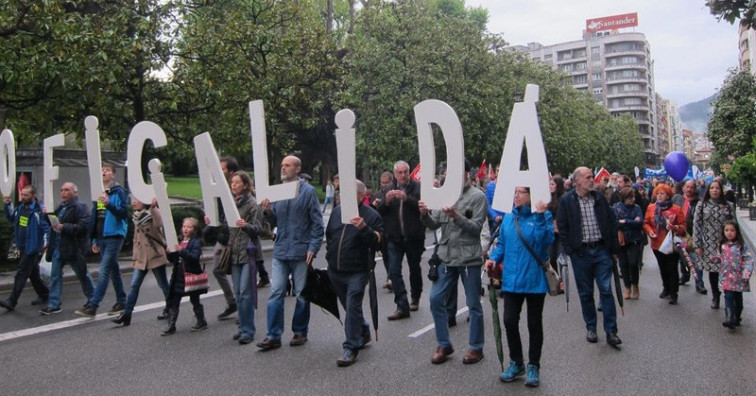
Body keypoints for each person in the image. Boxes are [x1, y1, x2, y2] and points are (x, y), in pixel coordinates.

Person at [419, 160, 487, 365]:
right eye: (447, 174)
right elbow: (433, 224)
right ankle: (444, 344)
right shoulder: (444, 194)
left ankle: (476, 347)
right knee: (435, 299)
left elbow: (476, 228)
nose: (449, 178)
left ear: (466, 173)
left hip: (469, 258)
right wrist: (424, 214)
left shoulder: (478, 196)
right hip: (446, 256)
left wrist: (455, 215)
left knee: (473, 304)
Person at [486, 187, 552, 387]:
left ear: (531, 195)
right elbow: (502, 245)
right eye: (514, 192)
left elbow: (545, 242)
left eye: (521, 192)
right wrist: (493, 259)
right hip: (512, 280)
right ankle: (516, 362)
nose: (516, 195)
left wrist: (540, 217)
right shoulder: (508, 217)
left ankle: (533, 365)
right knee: (509, 321)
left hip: (534, 280)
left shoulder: (544, 215)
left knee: (534, 324)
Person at [257, 155, 324, 351]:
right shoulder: (278, 192)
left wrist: (313, 247)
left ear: (297, 169)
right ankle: (273, 335)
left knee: (302, 294)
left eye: (287, 165)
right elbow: (276, 222)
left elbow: (317, 223)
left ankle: (300, 331)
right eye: (282, 165)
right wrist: (268, 212)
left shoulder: (308, 192)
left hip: (301, 251)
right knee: (276, 292)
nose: (283, 168)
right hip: (281, 251)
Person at [556, 167, 622, 347]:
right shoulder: (567, 200)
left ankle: (611, 330)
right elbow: (562, 225)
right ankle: (591, 327)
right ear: (577, 181)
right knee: (585, 293)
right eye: (587, 177)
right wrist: (570, 250)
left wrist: (613, 248)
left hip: (601, 250)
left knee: (606, 290)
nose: (592, 180)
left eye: (592, 177)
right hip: (581, 253)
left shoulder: (599, 198)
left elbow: (610, 221)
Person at [325, 180, 384, 367]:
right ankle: (363, 331)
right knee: (350, 308)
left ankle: (351, 348)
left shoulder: (371, 215)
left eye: (348, 193)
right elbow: (330, 235)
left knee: (352, 306)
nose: (342, 196)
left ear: (360, 195)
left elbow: (379, 242)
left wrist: (364, 229)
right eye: (342, 193)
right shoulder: (336, 212)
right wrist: (329, 256)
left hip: (357, 271)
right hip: (335, 270)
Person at [76, 164, 130, 317]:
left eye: (107, 170)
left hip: (114, 235)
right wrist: (93, 238)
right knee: (113, 270)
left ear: (113, 175)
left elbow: (123, 213)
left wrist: (109, 204)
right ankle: (122, 301)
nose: (104, 172)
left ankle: (93, 305)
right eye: (102, 170)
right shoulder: (98, 193)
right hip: (101, 237)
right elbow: (96, 216)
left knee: (104, 270)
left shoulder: (119, 192)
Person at [376, 160, 426, 319]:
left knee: (414, 268)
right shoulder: (389, 189)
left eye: (405, 172)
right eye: (400, 172)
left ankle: (415, 297)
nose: (403, 175)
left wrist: (407, 198)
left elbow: (423, 208)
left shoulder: (418, 187)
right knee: (394, 271)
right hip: (394, 238)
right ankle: (401, 305)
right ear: (395, 174)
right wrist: (387, 201)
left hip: (413, 236)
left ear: (409, 173)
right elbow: (380, 212)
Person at [112, 198, 170, 326]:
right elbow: (136, 239)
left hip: (154, 255)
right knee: (134, 285)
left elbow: (160, 223)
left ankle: (170, 309)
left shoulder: (151, 214)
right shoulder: (136, 217)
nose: (133, 202)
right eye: (132, 200)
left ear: (144, 201)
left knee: (163, 284)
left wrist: (154, 208)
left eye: (137, 200)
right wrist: (135, 256)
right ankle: (127, 314)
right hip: (141, 258)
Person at [41, 183, 95, 315]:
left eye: (66, 190)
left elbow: (83, 226)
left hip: (73, 248)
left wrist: (64, 227)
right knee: (55, 276)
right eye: (62, 190)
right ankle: (54, 304)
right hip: (59, 247)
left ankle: (93, 299)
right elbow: (55, 223)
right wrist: (46, 216)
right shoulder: (62, 207)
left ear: (74, 192)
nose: (63, 193)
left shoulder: (80, 207)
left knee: (82, 274)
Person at [228, 171, 265, 345]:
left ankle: (248, 330)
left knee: (245, 293)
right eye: (232, 182)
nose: (233, 185)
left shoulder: (253, 204)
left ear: (245, 184)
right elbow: (224, 227)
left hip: (249, 253)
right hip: (235, 253)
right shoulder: (230, 203)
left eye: (237, 182)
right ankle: (242, 327)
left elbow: (259, 229)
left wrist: (246, 226)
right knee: (238, 294)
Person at [0, 186, 50, 311]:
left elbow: (47, 228)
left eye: (26, 195)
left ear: (33, 196)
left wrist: (47, 244)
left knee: (21, 273)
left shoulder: (39, 211)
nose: (23, 197)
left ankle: (12, 301)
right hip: (23, 246)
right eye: (22, 194)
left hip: (32, 248)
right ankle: (44, 294)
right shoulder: (21, 208)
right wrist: (7, 205)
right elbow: (12, 218)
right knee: (33, 274)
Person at [203, 156, 241, 320]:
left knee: (238, 274)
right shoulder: (218, 188)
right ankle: (232, 302)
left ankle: (243, 309)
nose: (219, 172)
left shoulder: (239, 188)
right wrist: (210, 220)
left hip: (237, 239)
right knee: (217, 270)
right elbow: (219, 214)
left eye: (222, 169)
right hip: (223, 238)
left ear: (231, 172)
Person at [693, 180, 737, 309]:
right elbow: (696, 225)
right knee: (713, 272)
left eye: (717, 188)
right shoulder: (702, 205)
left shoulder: (728, 205)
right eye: (712, 188)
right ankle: (715, 295)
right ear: (709, 190)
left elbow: (734, 225)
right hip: (708, 243)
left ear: (721, 190)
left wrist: (736, 243)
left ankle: (729, 298)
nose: (715, 190)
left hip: (726, 243)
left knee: (728, 270)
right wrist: (697, 245)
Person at [162, 217, 207, 335]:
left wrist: (181, 250)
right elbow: (174, 260)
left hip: (190, 274)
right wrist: (169, 253)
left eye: (189, 227)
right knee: (174, 300)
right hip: (178, 275)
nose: (186, 229)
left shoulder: (195, 242)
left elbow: (194, 258)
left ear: (194, 229)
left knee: (194, 300)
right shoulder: (179, 240)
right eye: (184, 226)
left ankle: (201, 321)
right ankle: (171, 325)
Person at [643, 184, 686, 305]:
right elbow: (646, 222)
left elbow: (683, 227)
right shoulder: (651, 208)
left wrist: (675, 227)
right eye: (658, 193)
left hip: (672, 244)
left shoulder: (676, 209)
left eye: (662, 193)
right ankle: (666, 288)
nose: (659, 196)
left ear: (668, 196)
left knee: (672, 268)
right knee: (662, 267)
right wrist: (650, 231)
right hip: (657, 243)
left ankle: (674, 293)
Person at [713, 220, 753, 329]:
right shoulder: (722, 245)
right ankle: (729, 317)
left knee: (738, 298)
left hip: (739, 278)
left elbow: (749, 259)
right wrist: (715, 259)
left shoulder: (741, 246)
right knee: (728, 296)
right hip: (727, 277)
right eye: (727, 230)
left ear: (737, 232)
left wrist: (746, 273)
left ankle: (736, 316)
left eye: (732, 230)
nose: (729, 233)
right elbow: (720, 257)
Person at [613, 187, 645, 300]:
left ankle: (635, 284)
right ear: (624, 198)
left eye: (633, 197)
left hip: (635, 239)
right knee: (623, 264)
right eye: (630, 197)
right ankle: (627, 286)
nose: (633, 199)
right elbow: (615, 223)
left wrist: (625, 221)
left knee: (633, 262)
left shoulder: (636, 208)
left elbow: (640, 222)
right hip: (621, 239)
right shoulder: (616, 208)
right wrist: (632, 221)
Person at [371, 171, 394, 290]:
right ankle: (390, 277)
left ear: (391, 182)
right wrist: (374, 206)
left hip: (394, 230)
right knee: (385, 256)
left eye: (387, 182)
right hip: (382, 231)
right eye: (382, 183)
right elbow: (372, 213)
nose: (384, 185)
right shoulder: (377, 195)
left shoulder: (396, 194)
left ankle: (392, 278)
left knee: (393, 255)